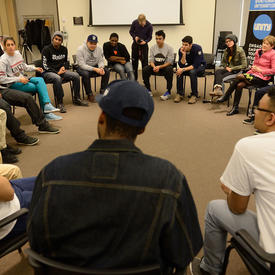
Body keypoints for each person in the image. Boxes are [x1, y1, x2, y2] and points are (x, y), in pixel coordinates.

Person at [28, 80, 202, 273]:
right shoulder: (169, 179)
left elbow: (36, 241)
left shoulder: (52, 173)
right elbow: (184, 252)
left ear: (101, 118)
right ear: (142, 128)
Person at [190, 87, 275, 275]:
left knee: (214, 209)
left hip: (272, 259)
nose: (254, 112)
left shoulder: (250, 147)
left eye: (257, 108)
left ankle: (210, 269)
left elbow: (238, 208)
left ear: (270, 118)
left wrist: (231, 190)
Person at [0, 37, 62, 121]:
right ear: (4, 47)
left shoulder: (17, 54)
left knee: (40, 80)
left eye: (12, 44)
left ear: (15, 45)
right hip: (13, 84)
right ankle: (46, 113)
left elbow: (24, 67)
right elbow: (2, 79)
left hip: (23, 79)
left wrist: (35, 68)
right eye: (8, 45)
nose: (11, 47)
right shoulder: (3, 60)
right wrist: (19, 79)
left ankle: (47, 106)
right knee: (38, 87)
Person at [217, 35, 275, 116]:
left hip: (263, 79)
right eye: (263, 43)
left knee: (239, 76)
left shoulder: (273, 54)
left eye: (267, 44)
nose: (264, 45)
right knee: (240, 85)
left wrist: (260, 70)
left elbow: (273, 70)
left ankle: (226, 96)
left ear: (272, 46)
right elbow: (253, 67)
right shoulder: (258, 52)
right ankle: (235, 108)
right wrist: (249, 72)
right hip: (253, 76)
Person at [41, 31, 88, 113]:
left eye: (59, 40)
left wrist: (64, 67)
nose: (57, 41)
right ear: (52, 39)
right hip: (48, 72)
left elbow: (66, 62)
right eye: (56, 39)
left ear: (61, 41)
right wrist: (56, 72)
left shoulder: (64, 49)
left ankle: (77, 98)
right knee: (57, 78)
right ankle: (60, 103)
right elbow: (44, 65)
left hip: (60, 71)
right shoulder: (46, 49)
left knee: (76, 75)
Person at [0, 172, 35, 242]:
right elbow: (9, 194)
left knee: (49, 175)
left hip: (10, 191)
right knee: (57, 192)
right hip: (13, 214)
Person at [76, 34, 110, 103]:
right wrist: (95, 69)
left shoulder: (99, 48)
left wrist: (101, 68)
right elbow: (82, 65)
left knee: (106, 71)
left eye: (95, 43)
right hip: (82, 67)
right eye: (91, 43)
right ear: (87, 42)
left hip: (94, 66)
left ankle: (103, 90)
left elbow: (101, 60)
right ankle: (89, 94)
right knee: (85, 74)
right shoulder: (80, 49)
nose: (93, 45)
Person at [142, 30, 174, 99]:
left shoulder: (169, 48)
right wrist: (154, 67)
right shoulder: (152, 48)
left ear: (164, 39)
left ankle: (168, 92)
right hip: (155, 67)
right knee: (145, 69)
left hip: (164, 67)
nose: (158, 40)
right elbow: (151, 60)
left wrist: (159, 67)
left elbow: (169, 62)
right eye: (156, 38)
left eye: (160, 39)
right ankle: (148, 90)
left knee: (169, 70)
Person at [175, 36, 206, 104]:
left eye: (186, 45)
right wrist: (183, 55)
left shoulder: (197, 48)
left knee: (192, 72)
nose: (184, 46)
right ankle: (180, 94)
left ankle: (194, 95)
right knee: (179, 71)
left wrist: (183, 69)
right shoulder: (181, 50)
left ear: (191, 45)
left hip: (200, 66)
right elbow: (181, 64)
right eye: (183, 44)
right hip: (189, 66)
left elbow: (195, 65)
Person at [129, 14, 153, 80]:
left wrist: (145, 41)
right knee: (134, 64)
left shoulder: (149, 25)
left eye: (143, 24)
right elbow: (131, 32)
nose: (142, 25)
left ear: (145, 20)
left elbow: (150, 37)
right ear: (138, 21)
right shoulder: (134, 22)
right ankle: (134, 80)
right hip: (135, 45)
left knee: (144, 65)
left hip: (144, 46)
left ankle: (145, 81)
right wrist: (135, 37)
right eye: (140, 24)